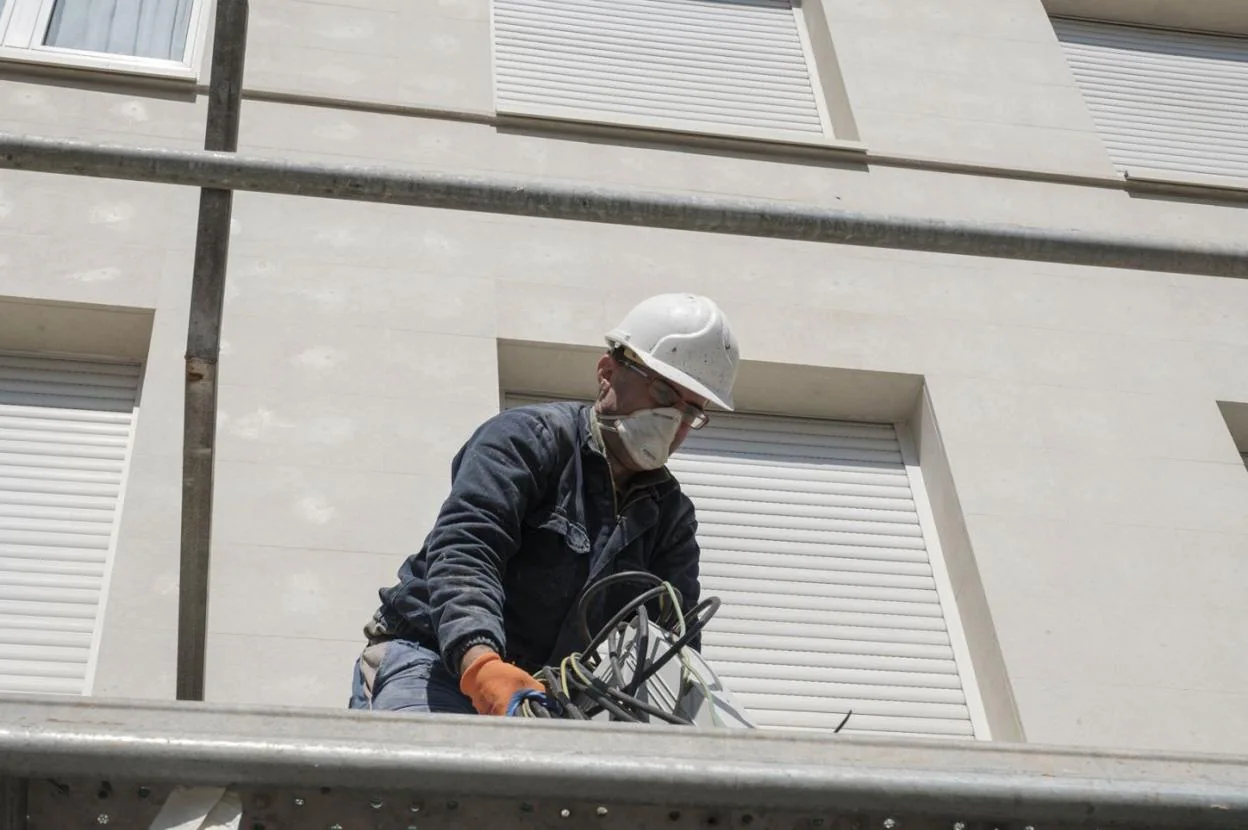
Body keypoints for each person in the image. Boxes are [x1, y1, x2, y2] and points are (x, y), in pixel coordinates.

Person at [348, 293, 740, 715]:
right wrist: (481, 665)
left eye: (691, 411)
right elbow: (467, 552)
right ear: (608, 373)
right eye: (664, 391)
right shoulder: (528, 439)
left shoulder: (671, 515)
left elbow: (672, 646)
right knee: (436, 774)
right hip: (434, 660)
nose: (673, 421)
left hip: (545, 695)